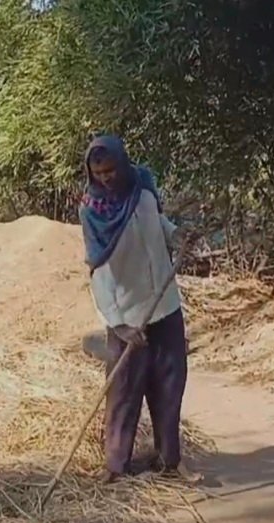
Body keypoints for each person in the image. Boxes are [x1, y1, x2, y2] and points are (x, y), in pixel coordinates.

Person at [79, 134, 193, 484]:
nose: (106, 178)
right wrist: (118, 324)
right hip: (128, 317)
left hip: (165, 304)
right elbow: (99, 275)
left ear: (123, 164)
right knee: (124, 392)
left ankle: (168, 460)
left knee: (169, 385)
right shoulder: (93, 212)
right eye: (99, 173)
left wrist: (176, 234)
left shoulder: (142, 187)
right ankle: (116, 466)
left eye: (111, 170)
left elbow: (156, 222)